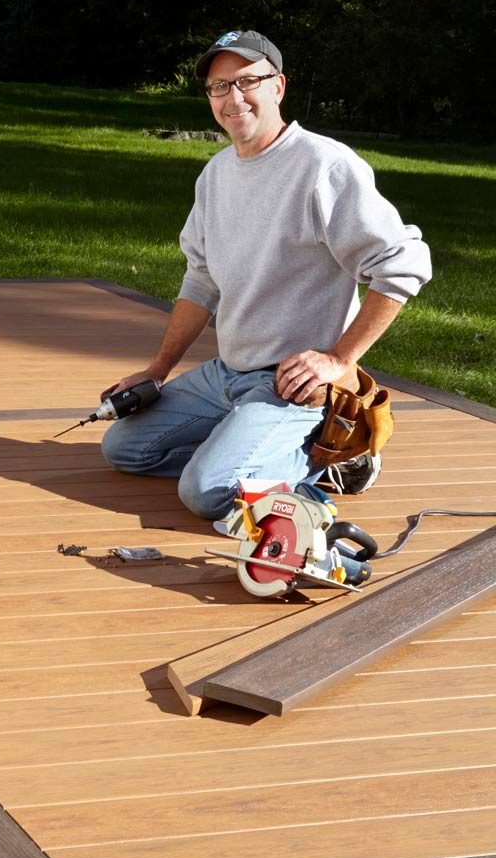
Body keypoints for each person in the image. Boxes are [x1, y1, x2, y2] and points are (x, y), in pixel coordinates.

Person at [100, 29, 432, 520]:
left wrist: (339, 359)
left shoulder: (323, 165)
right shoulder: (215, 174)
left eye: (247, 81)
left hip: (294, 383)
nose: (233, 98)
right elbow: (201, 281)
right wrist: (157, 371)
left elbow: (403, 266)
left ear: (278, 86)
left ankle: (339, 457)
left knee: (207, 493)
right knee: (126, 450)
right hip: (226, 374)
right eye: (219, 86)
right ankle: (249, 445)